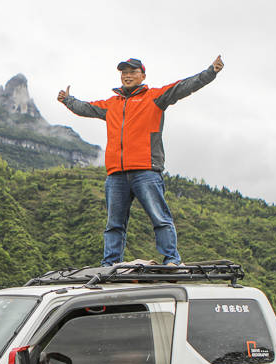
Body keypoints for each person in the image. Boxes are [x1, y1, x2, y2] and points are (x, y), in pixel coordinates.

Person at [57, 55, 225, 266]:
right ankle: (110, 264)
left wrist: (210, 72)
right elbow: (87, 108)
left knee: (160, 218)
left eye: (132, 72)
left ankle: (171, 260)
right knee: (113, 224)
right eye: (124, 73)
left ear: (143, 76)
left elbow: (183, 86)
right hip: (116, 174)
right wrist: (68, 100)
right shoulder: (112, 104)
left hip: (146, 171)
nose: (127, 76)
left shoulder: (155, 97)